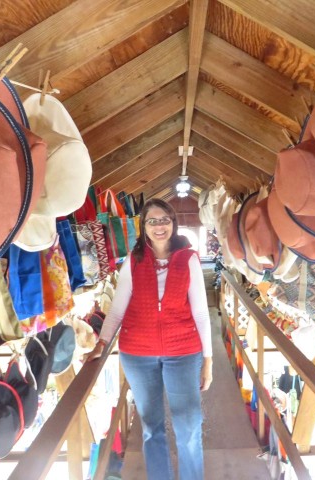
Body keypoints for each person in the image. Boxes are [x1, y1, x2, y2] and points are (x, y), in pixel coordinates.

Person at [84, 198, 213, 480]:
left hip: (183, 351)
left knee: (188, 424)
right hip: (138, 354)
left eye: (164, 219)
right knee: (151, 426)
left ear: (173, 224)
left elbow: (202, 313)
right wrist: (101, 344)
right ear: (143, 227)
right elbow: (117, 308)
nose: (159, 226)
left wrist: (208, 360)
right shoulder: (134, 260)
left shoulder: (188, 259)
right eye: (152, 221)